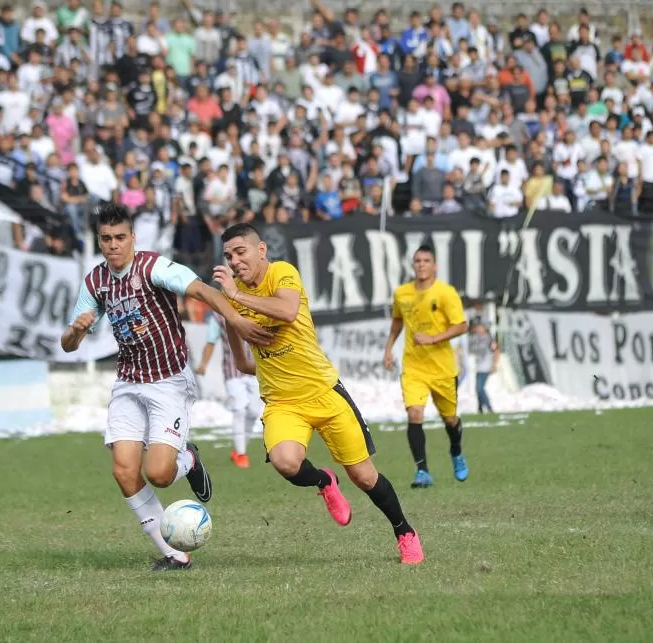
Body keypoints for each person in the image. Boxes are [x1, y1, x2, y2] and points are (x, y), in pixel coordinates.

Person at [61, 204, 273, 571]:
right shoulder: (95, 282)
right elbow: (68, 345)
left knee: (158, 473)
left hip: (168, 381)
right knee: (124, 472)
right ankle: (174, 553)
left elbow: (203, 292)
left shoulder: (152, 266)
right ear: (99, 240)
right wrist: (76, 331)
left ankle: (188, 459)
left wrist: (236, 320)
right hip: (128, 382)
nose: (113, 245)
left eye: (120, 238)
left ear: (132, 238)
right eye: (106, 239)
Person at [213, 223, 424, 565]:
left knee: (365, 477)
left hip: (324, 393)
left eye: (241, 252)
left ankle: (405, 532)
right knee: (284, 462)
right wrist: (267, 359)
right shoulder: (230, 300)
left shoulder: (281, 273)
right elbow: (241, 362)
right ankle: (325, 480)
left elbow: (287, 311)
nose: (235, 261)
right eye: (228, 256)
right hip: (283, 403)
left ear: (261, 250)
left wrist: (234, 299)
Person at [383, 245, 469, 488]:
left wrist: (433, 338)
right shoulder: (402, 293)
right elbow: (398, 320)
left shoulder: (445, 293)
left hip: (442, 368)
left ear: (435, 265)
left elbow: (461, 325)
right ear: (413, 265)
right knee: (415, 413)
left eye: (426, 260)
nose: (421, 264)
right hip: (414, 367)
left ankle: (456, 451)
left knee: (450, 419)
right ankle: (422, 471)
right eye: (417, 260)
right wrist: (388, 347)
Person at [195, 311, 264, 468]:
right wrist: (204, 364)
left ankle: (239, 450)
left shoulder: (254, 308)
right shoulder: (218, 316)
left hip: (255, 369)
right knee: (239, 410)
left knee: (254, 411)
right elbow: (211, 341)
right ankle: (241, 454)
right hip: (232, 371)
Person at [467, 318, 499, 414]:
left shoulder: (489, 339)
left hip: (486, 367)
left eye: (479, 327)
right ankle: (480, 408)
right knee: (478, 389)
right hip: (479, 366)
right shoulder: (475, 337)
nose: (477, 329)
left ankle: (488, 407)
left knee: (479, 388)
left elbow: (496, 351)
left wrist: (494, 364)